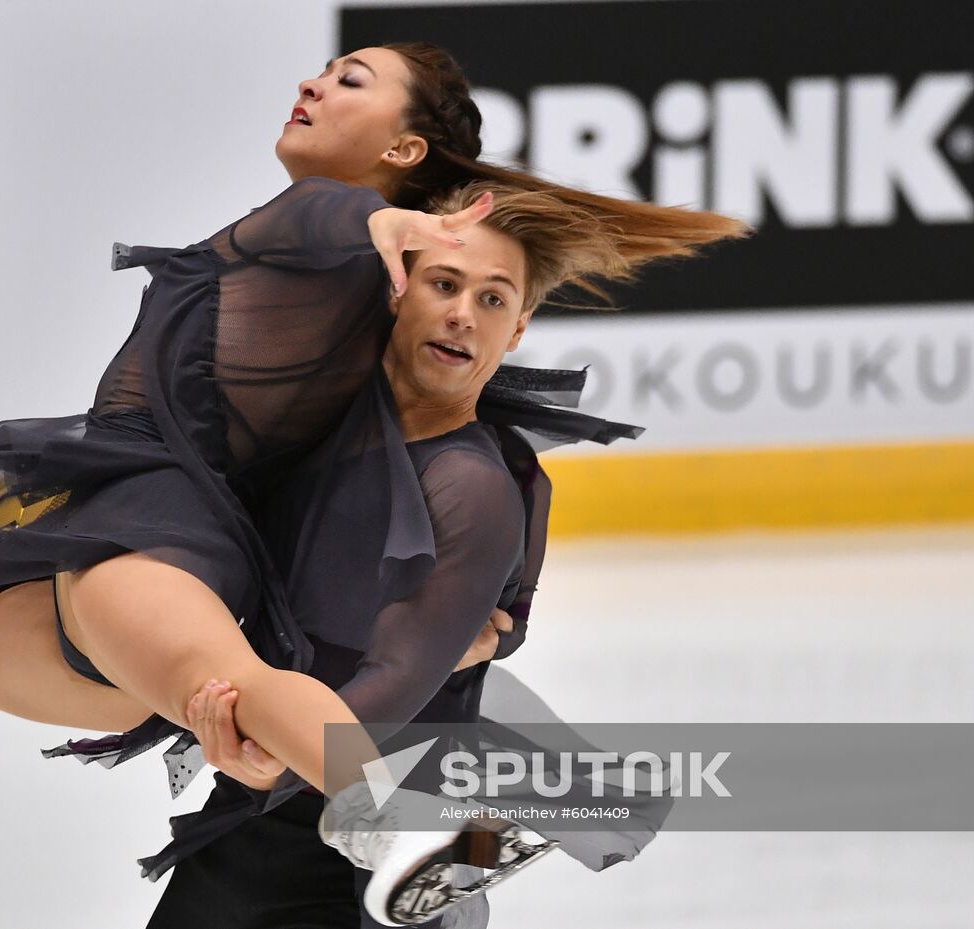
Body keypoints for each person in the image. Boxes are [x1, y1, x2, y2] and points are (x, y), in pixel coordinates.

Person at [0, 44, 745, 925]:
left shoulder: (348, 227)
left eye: (348, 82)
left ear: (400, 151)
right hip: (125, 543)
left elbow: (349, 223)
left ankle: (391, 829)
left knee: (214, 680)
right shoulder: (356, 298)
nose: (313, 87)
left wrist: (388, 221)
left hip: (160, 540)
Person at [139, 181, 732, 927]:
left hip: (379, 815)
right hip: (279, 805)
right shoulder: (312, 407)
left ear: (517, 329)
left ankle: (509, 806)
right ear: (396, 289)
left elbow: (398, 679)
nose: (462, 313)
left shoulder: (473, 486)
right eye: (446, 284)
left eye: (493, 300)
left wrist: (277, 749)